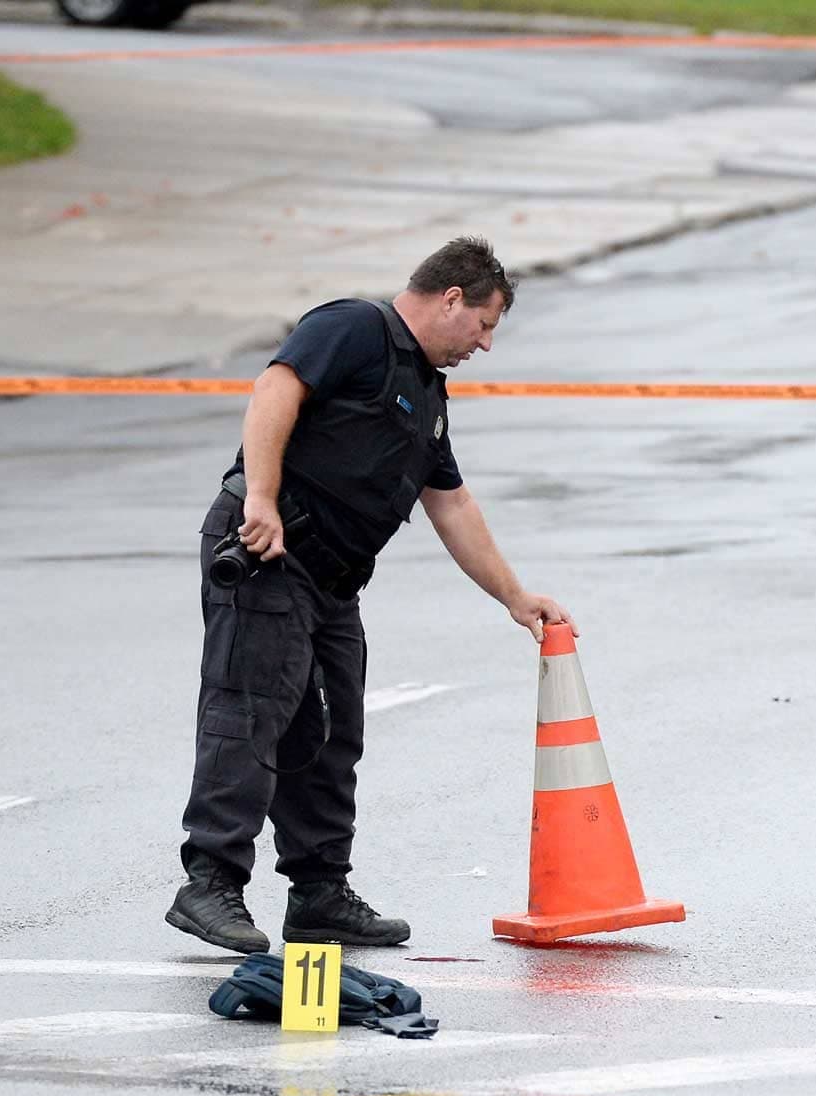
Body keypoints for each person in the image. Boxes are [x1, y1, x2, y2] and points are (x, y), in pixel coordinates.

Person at [168, 237, 570, 953]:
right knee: (250, 711)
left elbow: (450, 503)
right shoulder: (353, 327)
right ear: (452, 299)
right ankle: (210, 883)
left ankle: (319, 892)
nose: (484, 344)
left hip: (332, 580)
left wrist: (515, 596)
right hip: (270, 549)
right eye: (484, 325)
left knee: (328, 735)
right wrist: (260, 496)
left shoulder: (424, 390)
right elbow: (275, 390)